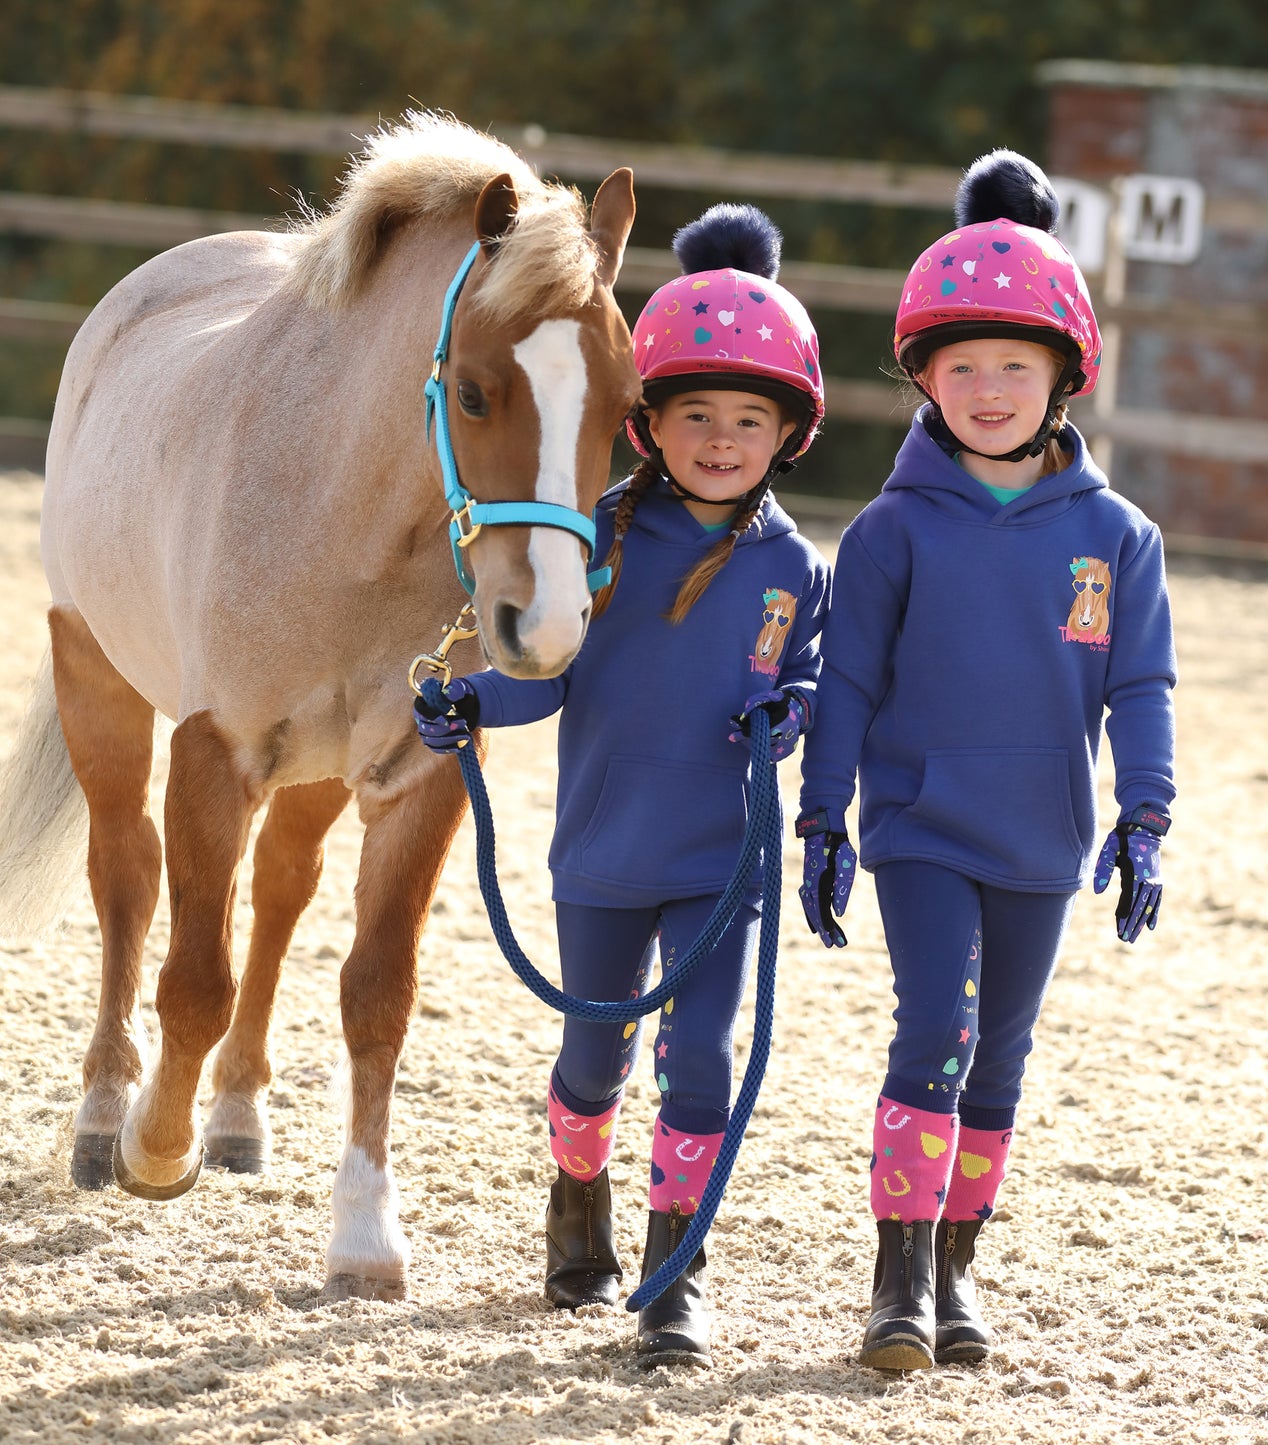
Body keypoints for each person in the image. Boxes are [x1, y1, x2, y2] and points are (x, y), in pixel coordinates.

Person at [415, 203, 830, 1369]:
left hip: (721, 864)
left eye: (747, 419)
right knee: (590, 1061)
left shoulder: (795, 567)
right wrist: (466, 702)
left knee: (699, 1060)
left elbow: (809, 687)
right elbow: (541, 683)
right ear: (646, 422)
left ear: (786, 432)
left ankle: (673, 1274)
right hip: (601, 853)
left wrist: (791, 715)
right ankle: (577, 1200)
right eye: (694, 414)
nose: (718, 438)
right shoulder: (595, 537)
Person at [795, 150, 1176, 1371]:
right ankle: (894, 1282)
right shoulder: (890, 529)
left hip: (1043, 835)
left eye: (1014, 365)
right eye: (961, 366)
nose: (988, 387)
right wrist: (822, 816)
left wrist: (1146, 815)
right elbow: (844, 681)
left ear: (1063, 374)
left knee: (1000, 1056)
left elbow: (1137, 687)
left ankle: (956, 1273)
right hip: (916, 825)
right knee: (935, 1034)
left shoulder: (1119, 539)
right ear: (924, 376)